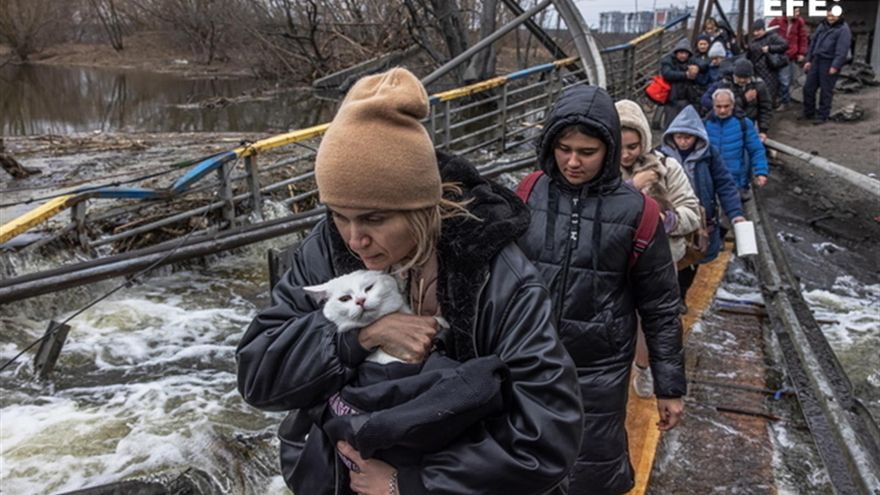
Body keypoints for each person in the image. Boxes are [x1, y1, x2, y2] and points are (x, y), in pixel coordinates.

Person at [236, 68, 583, 495]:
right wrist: (358, 338)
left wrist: (413, 484)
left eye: (375, 219)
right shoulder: (325, 251)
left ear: (421, 209)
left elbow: (547, 437)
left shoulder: (498, 276)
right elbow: (259, 377)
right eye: (339, 214)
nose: (355, 238)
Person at [517, 85, 686, 494]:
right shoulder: (529, 192)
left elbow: (661, 304)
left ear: (608, 150)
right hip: (527, 356)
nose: (573, 162)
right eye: (564, 148)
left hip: (599, 365)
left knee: (590, 467)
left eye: (587, 152)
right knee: (522, 461)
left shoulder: (638, 212)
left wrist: (669, 386)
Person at [615, 99, 701, 398]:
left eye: (633, 146)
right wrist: (633, 187)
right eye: (620, 146)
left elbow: (692, 211)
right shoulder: (599, 171)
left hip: (659, 261)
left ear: (644, 141)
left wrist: (667, 221)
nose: (626, 155)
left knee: (648, 320)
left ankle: (643, 368)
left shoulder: (667, 168)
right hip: (614, 261)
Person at [657, 104, 745, 306]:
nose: (683, 141)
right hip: (670, 216)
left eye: (688, 137)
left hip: (699, 218)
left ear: (697, 136)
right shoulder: (660, 156)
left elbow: (724, 184)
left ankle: (680, 296)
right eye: (679, 137)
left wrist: (735, 213)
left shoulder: (708, 155)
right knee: (667, 257)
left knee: (692, 258)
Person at [703, 88, 769, 191]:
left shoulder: (744, 124)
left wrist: (761, 171)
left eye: (726, 106)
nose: (722, 110)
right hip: (710, 180)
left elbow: (756, 150)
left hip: (735, 181)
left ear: (733, 105)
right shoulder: (704, 124)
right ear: (713, 105)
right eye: (718, 106)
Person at [702, 59, 773, 141]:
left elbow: (765, 108)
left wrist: (763, 130)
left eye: (745, 77)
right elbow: (724, 106)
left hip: (751, 123)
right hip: (729, 123)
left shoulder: (759, 85)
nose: (742, 80)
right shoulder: (725, 83)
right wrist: (744, 99)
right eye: (739, 77)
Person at [802, 10, 852, 125]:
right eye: (829, 15)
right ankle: (808, 112)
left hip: (829, 61)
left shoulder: (843, 29)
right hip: (816, 59)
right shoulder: (822, 25)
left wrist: (835, 66)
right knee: (808, 87)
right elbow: (813, 43)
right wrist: (808, 60)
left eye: (833, 16)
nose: (830, 18)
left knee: (826, 90)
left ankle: (822, 115)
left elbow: (842, 50)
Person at [661, 38, 708, 126]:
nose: (683, 56)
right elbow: (667, 74)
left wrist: (697, 68)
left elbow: (704, 64)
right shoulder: (668, 60)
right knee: (671, 124)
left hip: (689, 98)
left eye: (685, 53)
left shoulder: (691, 60)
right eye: (681, 53)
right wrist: (685, 75)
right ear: (676, 52)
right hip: (672, 99)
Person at [768, 7, 808, 107]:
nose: (798, 14)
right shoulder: (777, 20)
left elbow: (803, 38)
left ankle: (784, 102)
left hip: (789, 54)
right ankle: (774, 100)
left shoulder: (799, 22)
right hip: (776, 53)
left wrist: (801, 53)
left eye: (798, 11)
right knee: (774, 77)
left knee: (785, 79)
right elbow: (768, 33)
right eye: (796, 11)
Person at [746, 19, 789, 105]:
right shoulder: (753, 42)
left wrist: (770, 48)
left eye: (758, 30)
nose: (756, 33)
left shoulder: (772, 37)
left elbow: (784, 45)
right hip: (757, 70)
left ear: (763, 29)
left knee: (771, 90)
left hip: (770, 68)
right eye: (754, 31)